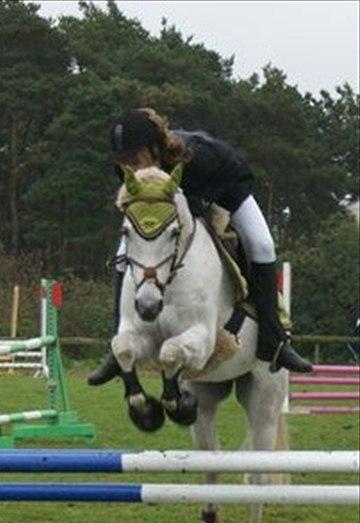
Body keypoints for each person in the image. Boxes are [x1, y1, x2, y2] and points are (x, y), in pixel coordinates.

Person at [88, 107, 312, 386]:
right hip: (174, 208)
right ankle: (115, 349)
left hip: (227, 190)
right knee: (123, 255)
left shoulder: (193, 156)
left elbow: (206, 200)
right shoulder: (128, 170)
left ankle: (275, 341)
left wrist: (199, 210)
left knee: (262, 245)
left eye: (134, 158)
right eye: (124, 161)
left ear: (153, 147)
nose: (130, 167)